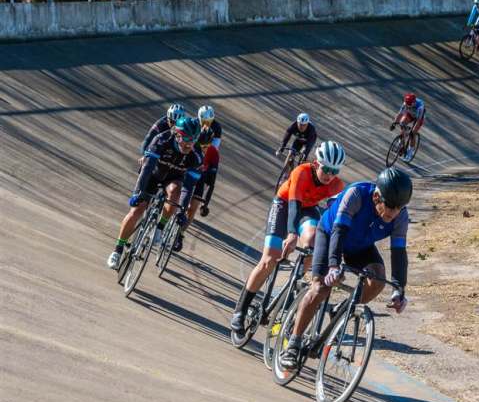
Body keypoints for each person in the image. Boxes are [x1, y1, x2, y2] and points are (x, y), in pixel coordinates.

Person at [278, 168, 413, 370]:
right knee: (321, 288)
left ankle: (340, 310)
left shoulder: (400, 216)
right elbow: (339, 231)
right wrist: (333, 266)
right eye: (391, 207)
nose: (394, 214)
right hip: (331, 233)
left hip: (359, 246)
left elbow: (399, 252)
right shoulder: (356, 195)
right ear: (377, 197)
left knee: (377, 279)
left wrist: (399, 289)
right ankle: (294, 344)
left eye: (399, 208)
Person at [230, 141, 347, 334]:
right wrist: (292, 234)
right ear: (317, 164)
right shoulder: (301, 172)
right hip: (285, 204)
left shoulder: (337, 185)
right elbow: (293, 206)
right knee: (269, 260)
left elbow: (335, 219)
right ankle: (240, 310)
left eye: (334, 171)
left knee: (313, 241)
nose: (329, 175)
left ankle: (298, 275)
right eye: (326, 169)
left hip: (308, 209)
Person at [106, 116, 203, 269]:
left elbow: (189, 187)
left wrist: (182, 211)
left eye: (194, 139)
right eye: (187, 138)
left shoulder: (196, 155)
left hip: (173, 179)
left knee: (176, 192)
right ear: (177, 134)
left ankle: (159, 228)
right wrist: (137, 193)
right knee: (136, 211)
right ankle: (117, 250)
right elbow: (147, 168)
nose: (190, 143)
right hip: (153, 174)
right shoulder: (162, 140)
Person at [173, 105, 222, 252]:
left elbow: (211, 182)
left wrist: (205, 204)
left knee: (192, 208)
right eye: (202, 145)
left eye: (208, 145)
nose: (205, 148)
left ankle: (180, 234)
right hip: (188, 168)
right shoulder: (191, 142)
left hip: (201, 174)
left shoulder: (213, 151)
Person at [390, 94, 425, 162]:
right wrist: (394, 123)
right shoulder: (405, 103)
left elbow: (418, 121)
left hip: (418, 118)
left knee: (413, 133)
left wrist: (413, 130)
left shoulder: (420, 106)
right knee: (402, 123)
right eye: (407, 104)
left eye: (409, 104)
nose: (407, 106)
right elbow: (400, 114)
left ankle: (410, 151)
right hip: (410, 114)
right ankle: (401, 141)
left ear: (414, 102)